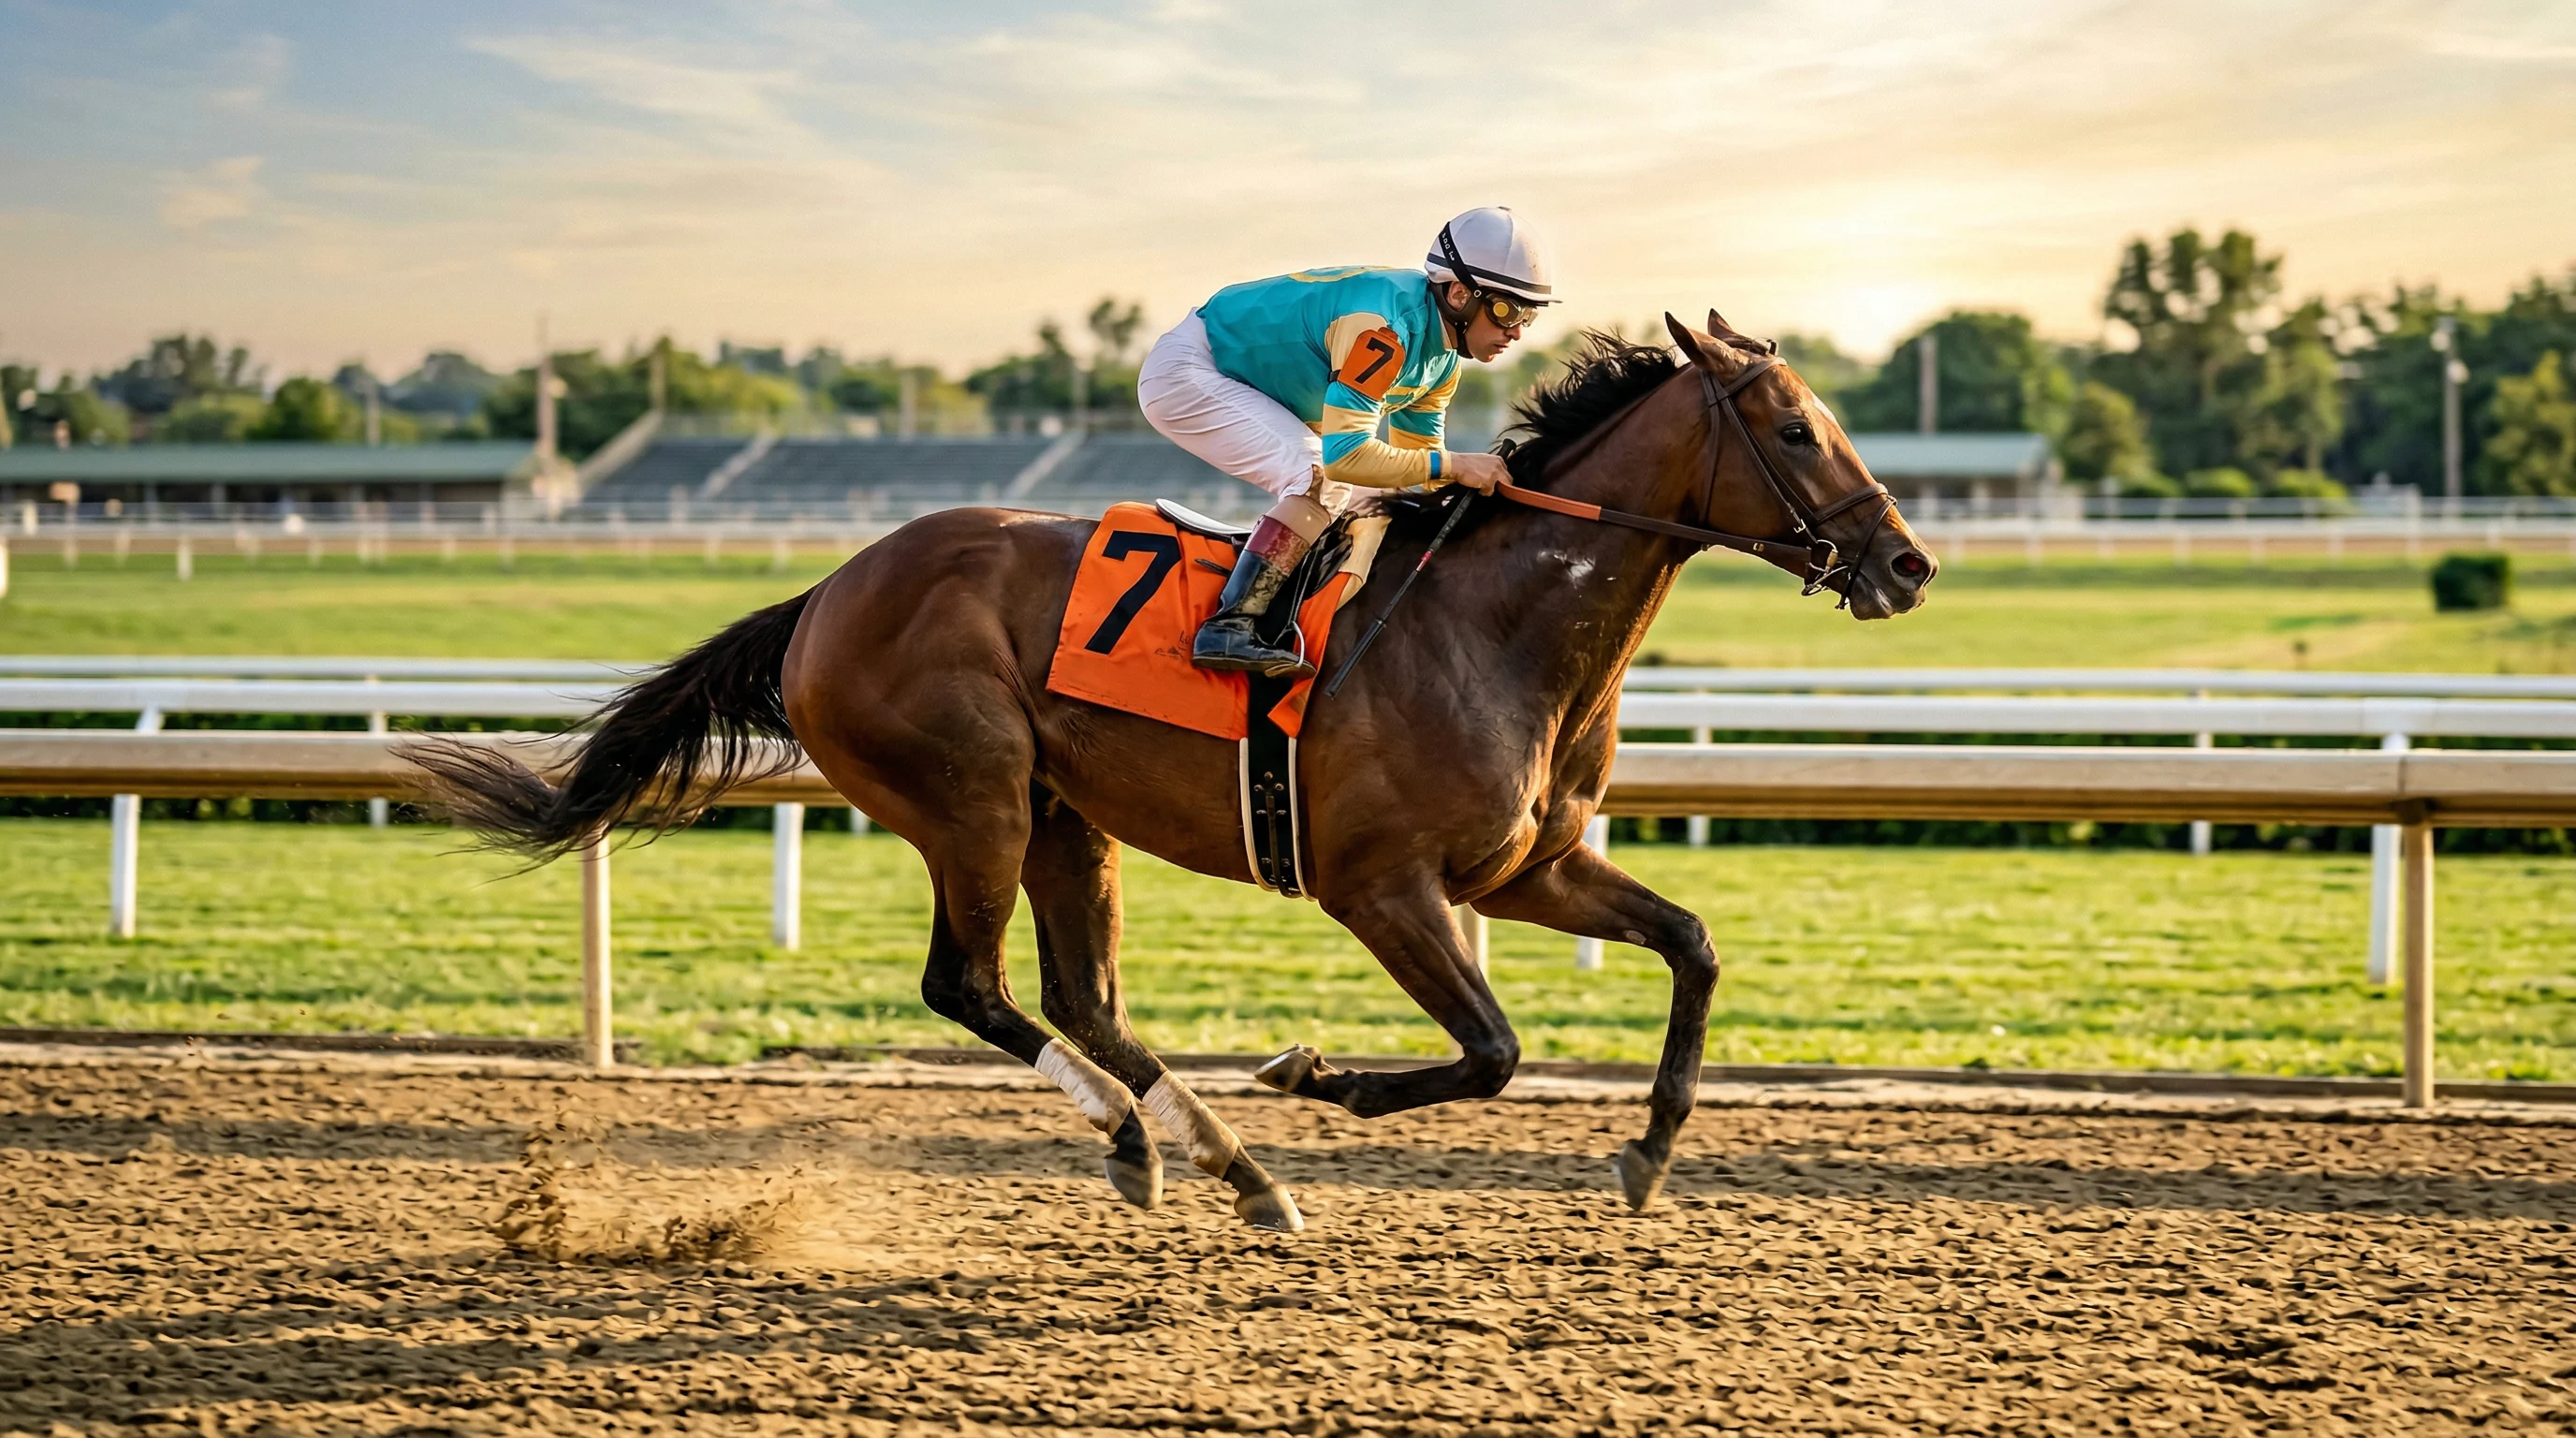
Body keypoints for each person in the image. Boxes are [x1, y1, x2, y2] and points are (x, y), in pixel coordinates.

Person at [1137, 206, 1557, 678]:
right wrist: (1457, 465)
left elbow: (1416, 471)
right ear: (1459, 294)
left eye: (1528, 316)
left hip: (1249, 382)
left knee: (1374, 504)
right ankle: (1229, 626)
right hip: (1192, 369)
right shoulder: (1383, 329)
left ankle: (1302, 625)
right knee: (1320, 479)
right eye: (1506, 310)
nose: (1516, 331)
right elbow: (1346, 458)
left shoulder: (1441, 364)